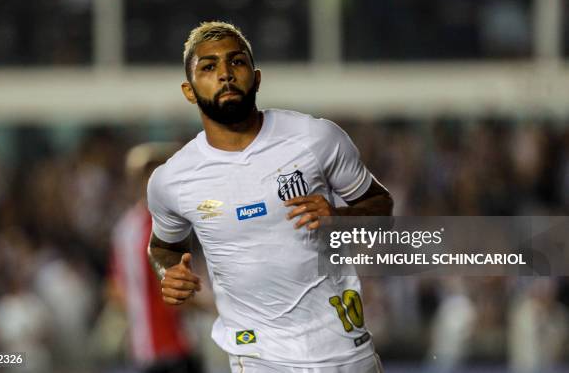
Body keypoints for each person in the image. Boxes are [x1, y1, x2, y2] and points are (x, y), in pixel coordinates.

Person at [147, 21, 393, 373]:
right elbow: (163, 246)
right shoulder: (171, 179)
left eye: (237, 62)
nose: (225, 75)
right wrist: (168, 272)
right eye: (209, 66)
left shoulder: (316, 138)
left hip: (345, 352)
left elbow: (382, 208)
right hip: (259, 358)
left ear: (257, 77)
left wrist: (341, 219)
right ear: (189, 90)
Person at [111, 143, 202, 373]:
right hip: (171, 348)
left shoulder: (126, 227)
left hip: (150, 349)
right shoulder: (150, 227)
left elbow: (115, 289)